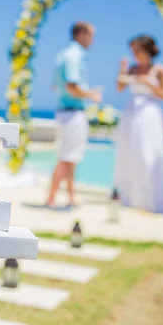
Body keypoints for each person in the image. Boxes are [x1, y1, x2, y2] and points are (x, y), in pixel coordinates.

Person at [46, 22, 102, 208]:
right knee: (66, 158)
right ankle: (52, 198)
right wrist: (91, 94)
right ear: (81, 34)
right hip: (72, 113)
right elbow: (72, 85)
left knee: (70, 157)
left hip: (64, 111)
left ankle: (70, 196)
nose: (93, 40)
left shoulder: (63, 55)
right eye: (91, 35)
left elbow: (56, 86)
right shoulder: (74, 56)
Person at [113, 35, 163, 213]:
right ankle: (129, 196)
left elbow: (162, 94)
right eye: (134, 51)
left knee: (148, 154)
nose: (135, 54)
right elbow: (120, 87)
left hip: (150, 114)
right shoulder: (132, 69)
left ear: (147, 50)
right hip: (132, 114)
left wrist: (149, 84)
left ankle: (149, 198)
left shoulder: (159, 70)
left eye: (137, 50)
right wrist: (121, 70)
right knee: (129, 152)